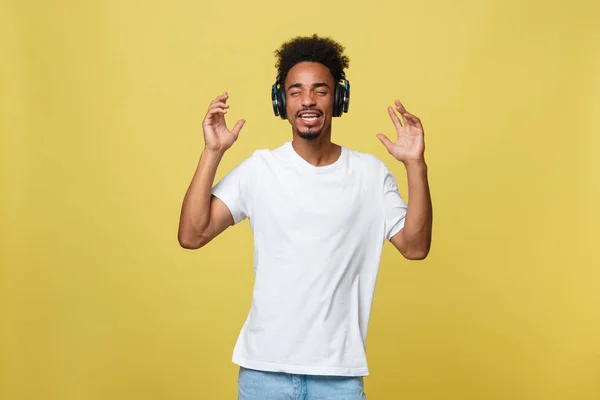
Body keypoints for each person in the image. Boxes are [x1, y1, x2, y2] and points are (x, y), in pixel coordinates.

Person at [178, 34, 432, 400]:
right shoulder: (260, 170)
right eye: (295, 91)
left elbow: (415, 246)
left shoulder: (370, 175)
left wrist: (415, 166)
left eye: (320, 90)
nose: (308, 100)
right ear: (281, 101)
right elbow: (192, 234)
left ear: (339, 98)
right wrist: (212, 152)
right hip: (263, 374)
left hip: (338, 379)